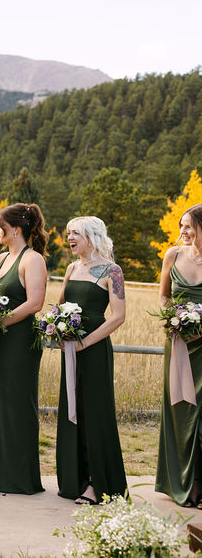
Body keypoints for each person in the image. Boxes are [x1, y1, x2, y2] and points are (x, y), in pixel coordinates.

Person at [55, 216, 127, 504]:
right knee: (74, 407)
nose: (70, 238)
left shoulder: (113, 270)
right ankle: (75, 478)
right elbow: (59, 304)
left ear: (92, 236)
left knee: (95, 413)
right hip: (70, 348)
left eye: (76, 233)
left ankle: (98, 484)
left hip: (94, 351)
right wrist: (57, 328)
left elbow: (118, 317)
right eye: (68, 233)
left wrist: (86, 342)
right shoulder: (72, 268)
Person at [0, 203, 48, 494]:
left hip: (19, 342)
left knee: (16, 403)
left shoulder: (32, 260)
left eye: (0, 226)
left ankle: (18, 476)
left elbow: (34, 303)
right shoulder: (0, 259)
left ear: (16, 229)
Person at [155, 204, 202, 507]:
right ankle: (182, 485)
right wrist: (168, 319)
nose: (183, 232)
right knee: (181, 410)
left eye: (189, 226)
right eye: (181, 226)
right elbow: (164, 295)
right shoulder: (172, 255)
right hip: (179, 343)